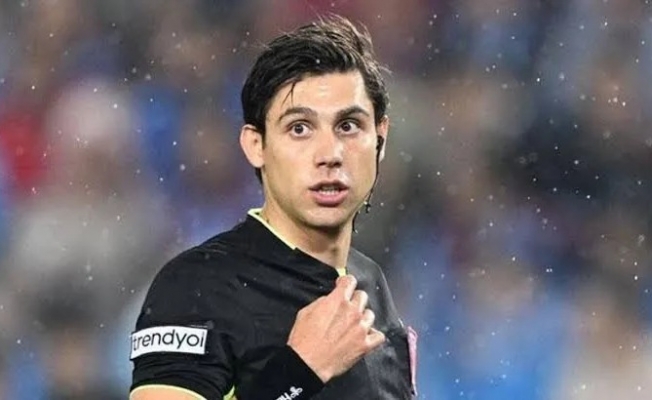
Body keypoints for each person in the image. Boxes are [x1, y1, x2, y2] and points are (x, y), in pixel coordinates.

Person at [129, 14, 417, 400]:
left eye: (348, 126)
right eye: (299, 128)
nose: (330, 154)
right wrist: (300, 371)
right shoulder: (196, 287)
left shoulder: (373, 286)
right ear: (256, 146)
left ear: (380, 139)